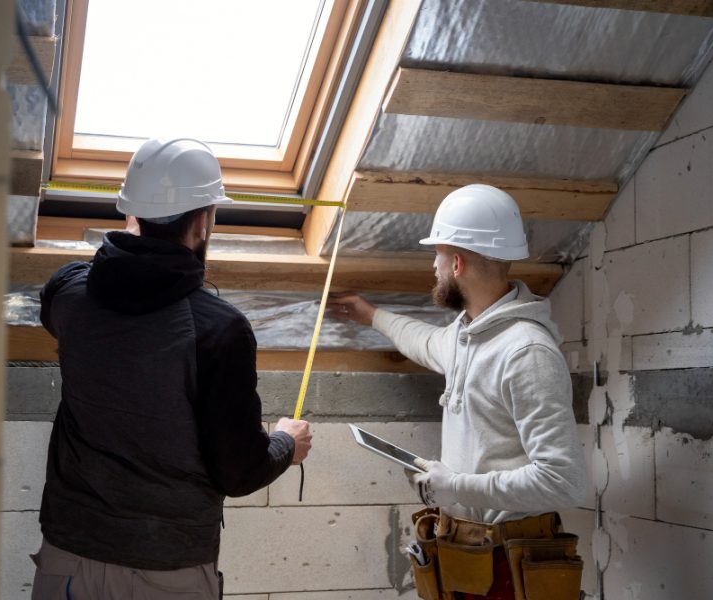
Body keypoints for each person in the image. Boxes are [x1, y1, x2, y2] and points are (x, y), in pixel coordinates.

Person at [31, 138, 312, 600]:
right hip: (166, 571)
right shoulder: (221, 330)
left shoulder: (68, 295)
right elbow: (239, 472)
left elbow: (68, 299)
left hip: (66, 557)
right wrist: (286, 443)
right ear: (202, 223)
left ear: (131, 215)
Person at [329, 184, 586, 600]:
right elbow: (426, 342)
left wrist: (458, 486)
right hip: (470, 554)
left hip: (510, 562)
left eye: (438, 255)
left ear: (458, 263)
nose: (434, 266)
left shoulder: (526, 352)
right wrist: (370, 315)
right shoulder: (468, 334)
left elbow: (564, 481)